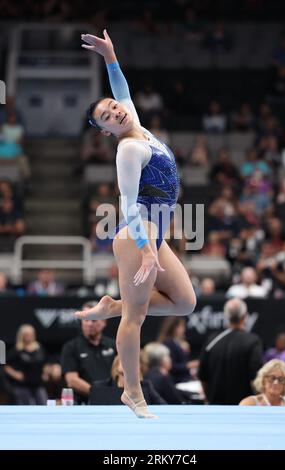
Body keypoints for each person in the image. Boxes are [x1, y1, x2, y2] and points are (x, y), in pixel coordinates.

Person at [74, 30, 196, 418]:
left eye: (113, 106)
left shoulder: (136, 124)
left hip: (154, 234)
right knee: (137, 317)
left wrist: (111, 56)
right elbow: (127, 206)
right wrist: (145, 250)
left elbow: (121, 87)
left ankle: (110, 307)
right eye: (107, 117)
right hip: (135, 236)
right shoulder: (127, 148)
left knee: (186, 303)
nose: (116, 111)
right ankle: (133, 393)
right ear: (104, 131)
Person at [198, 298, 263, 405]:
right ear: (245, 316)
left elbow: (202, 376)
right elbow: (255, 379)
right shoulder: (253, 341)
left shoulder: (212, 340)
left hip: (216, 406)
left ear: (226, 316)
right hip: (243, 408)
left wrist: (209, 398)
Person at [61, 301, 116, 404]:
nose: (90, 324)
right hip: (84, 402)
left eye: (94, 320)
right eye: (86, 320)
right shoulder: (71, 347)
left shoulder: (115, 345)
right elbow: (72, 380)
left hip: (112, 400)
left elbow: (122, 375)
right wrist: (98, 394)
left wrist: (112, 395)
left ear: (104, 321)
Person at [89, 354, 165, 405]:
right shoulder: (100, 387)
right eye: (125, 360)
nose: (129, 364)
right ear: (116, 366)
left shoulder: (145, 386)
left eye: (134, 362)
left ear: (140, 368)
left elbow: (163, 406)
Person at [4, 324, 48, 405]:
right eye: (26, 334)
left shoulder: (39, 349)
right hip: (22, 385)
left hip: (38, 384)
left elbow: (44, 363)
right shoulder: (16, 350)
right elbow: (5, 365)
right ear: (22, 335)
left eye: (31, 334)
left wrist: (44, 373)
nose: (29, 336)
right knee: (25, 407)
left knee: (43, 405)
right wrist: (16, 374)